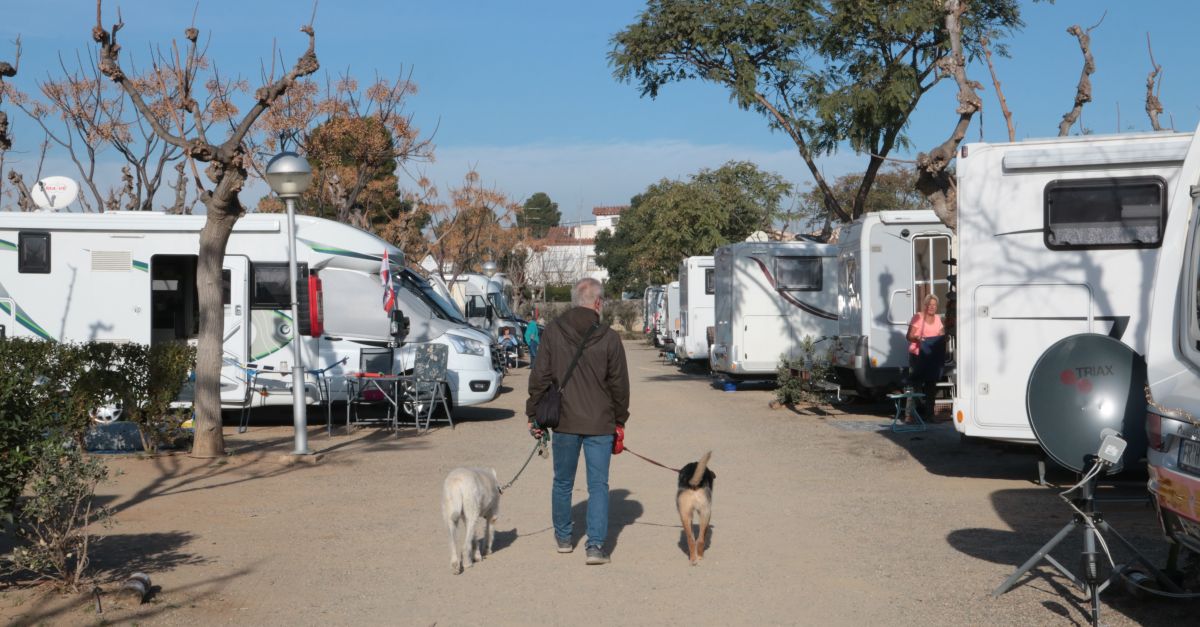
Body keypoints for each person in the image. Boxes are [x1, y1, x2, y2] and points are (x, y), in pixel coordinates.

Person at [526, 278, 630, 565]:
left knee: (562, 482)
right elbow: (620, 385)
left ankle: (563, 538)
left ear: (575, 300)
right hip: (600, 422)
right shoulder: (609, 337)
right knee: (598, 485)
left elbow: (540, 375)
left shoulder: (554, 331)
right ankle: (595, 546)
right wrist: (620, 419)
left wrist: (533, 412)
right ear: (597, 302)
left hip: (565, 421)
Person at [906, 294, 947, 422]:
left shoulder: (938, 319)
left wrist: (943, 337)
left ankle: (930, 415)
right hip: (917, 355)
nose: (932, 307)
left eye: (934, 305)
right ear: (925, 306)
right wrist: (917, 338)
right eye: (929, 305)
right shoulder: (918, 317)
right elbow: (909, 336)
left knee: (931, 386)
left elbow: (941, 335)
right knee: (915, 384)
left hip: (931, 357)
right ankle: (911, 415)